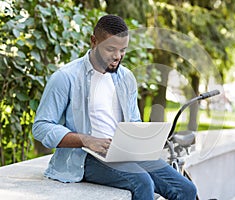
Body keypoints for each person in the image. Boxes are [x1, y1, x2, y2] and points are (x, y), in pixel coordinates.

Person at [32, 14, 197, 200]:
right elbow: (41, 126)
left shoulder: (126, 78)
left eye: (123, 50)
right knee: (142, 182)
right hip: (85, 158)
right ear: (93, 41)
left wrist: (144, 138)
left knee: (186, 189)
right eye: (110, 49)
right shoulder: (65, 77)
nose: (117, 56)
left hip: (125, 153)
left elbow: (133, 120)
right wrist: (86, 140)